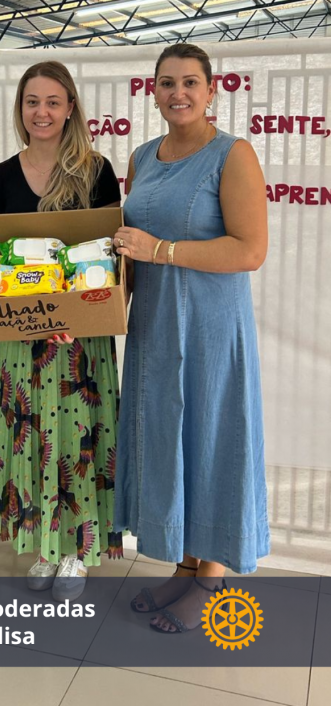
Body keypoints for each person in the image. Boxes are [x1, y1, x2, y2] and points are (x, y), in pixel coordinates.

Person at [113, 42, 269, 634]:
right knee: (170, 441)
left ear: (210, 90)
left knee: (211, 438)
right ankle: (184, 567)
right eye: (167, 83)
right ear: (152, 91)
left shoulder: (233, 154)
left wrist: (162, 251)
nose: (178, 93)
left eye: (189, 83)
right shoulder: (142, 157)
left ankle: (211, 577)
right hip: (154, 328)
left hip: (210, 329)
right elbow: (130, 246)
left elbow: (249, 250)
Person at [0, 61, 123, 602]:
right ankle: (43, 540)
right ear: (20, 108)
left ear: (70, 109)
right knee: (32, 435)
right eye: (31, 101)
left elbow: (109, 260)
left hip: (81, 340)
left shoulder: (96, 171)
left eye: (52, 101)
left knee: (78, 441)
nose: (41, 112)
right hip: (21, 338)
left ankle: (75, 550)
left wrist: (78, 315)